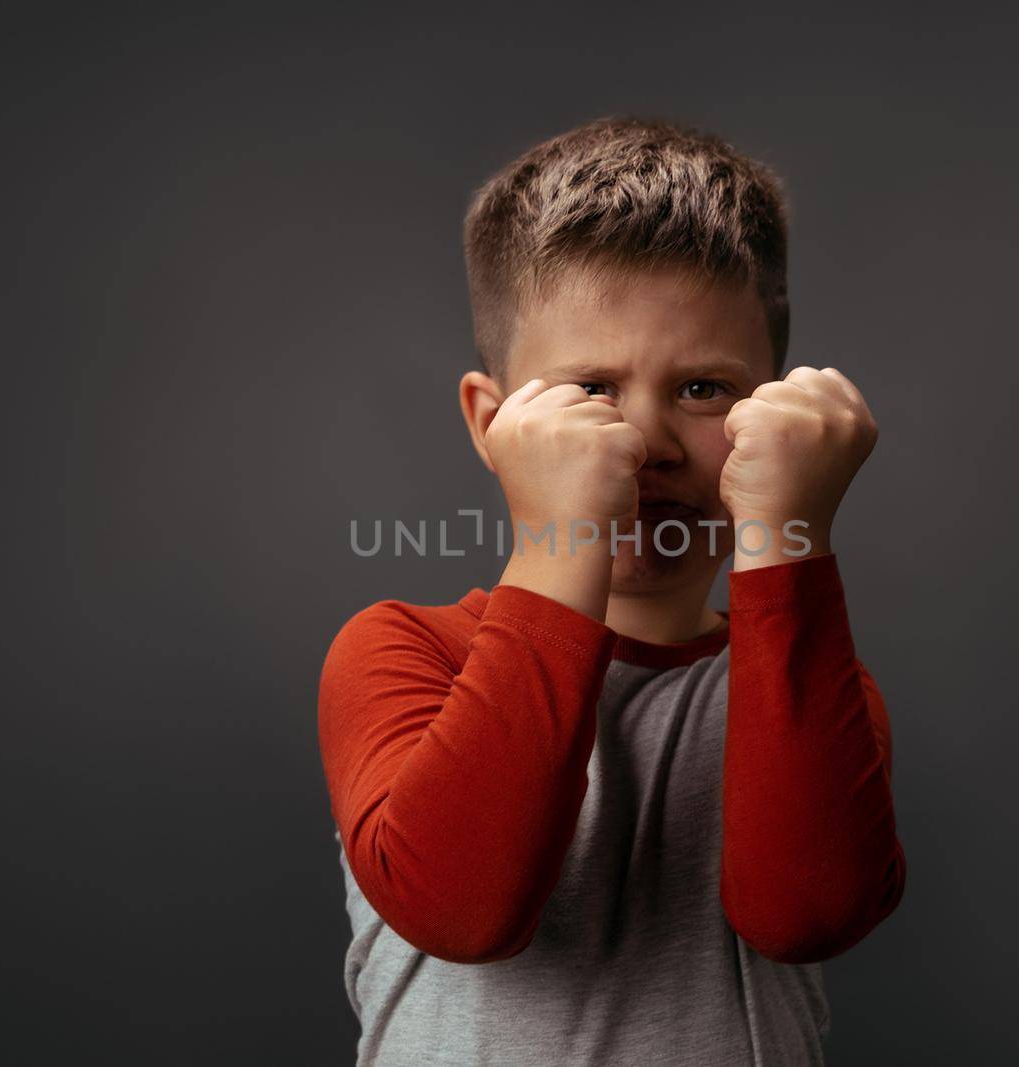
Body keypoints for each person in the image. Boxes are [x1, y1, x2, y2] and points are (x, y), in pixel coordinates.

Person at [316, 115, 907, 1065]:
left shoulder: (809, 684)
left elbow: (808, 911)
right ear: (493, 420)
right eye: (590, 387)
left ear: (779, 417)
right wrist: (563, 539)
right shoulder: (399, 651)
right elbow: (463, 910)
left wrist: (789, 541)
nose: (650, 441)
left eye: (706, 390)